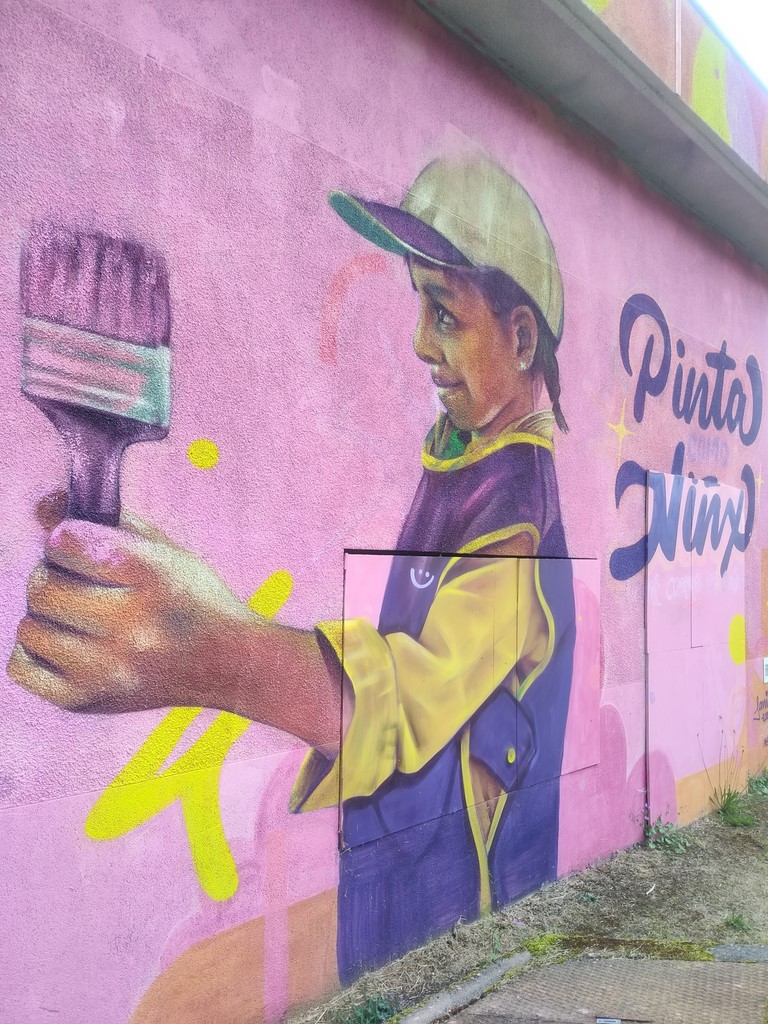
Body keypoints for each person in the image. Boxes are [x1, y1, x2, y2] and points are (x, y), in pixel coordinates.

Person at [8, 154, 575, 983]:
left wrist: (215, 650)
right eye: (419, 306)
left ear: (521, 339)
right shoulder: (467, 457)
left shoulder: (516, 504)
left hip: (463, 877)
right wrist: (197, 615)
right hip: (401, 850)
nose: (420, 342)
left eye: (446, 314)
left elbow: (415, 695)